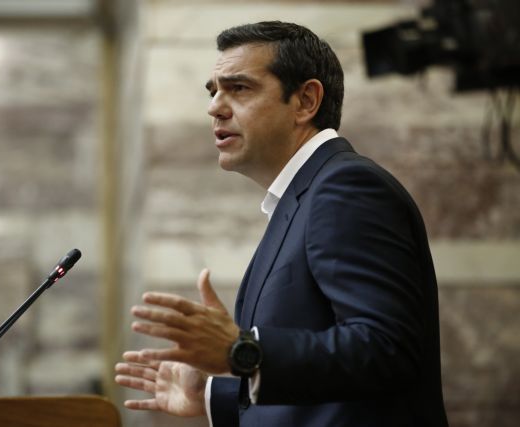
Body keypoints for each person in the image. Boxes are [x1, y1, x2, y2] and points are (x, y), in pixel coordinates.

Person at [115, 21, 449, 426]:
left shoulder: (345, 187)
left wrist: (243, 351)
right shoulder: (306, 197)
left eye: (239, 88)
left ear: (306, 101)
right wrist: (209, 395)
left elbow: (387, 349)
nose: (214, 107)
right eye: (213, 91)